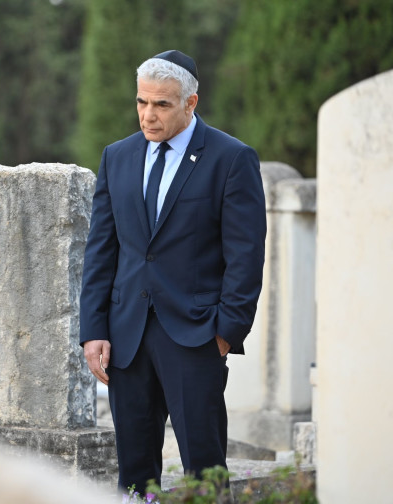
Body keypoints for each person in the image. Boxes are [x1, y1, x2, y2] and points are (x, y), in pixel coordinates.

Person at [79, 50, 266, 492]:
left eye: (161, 104)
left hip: (197, 336)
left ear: (191, 103)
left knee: (205, 473)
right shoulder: (117, 156)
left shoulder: (231, 159)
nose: (148, 115)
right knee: (135, 475)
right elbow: (101, 250)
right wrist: (93, 329)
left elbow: (246, 255)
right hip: (126, 337)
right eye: (142, 102)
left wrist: (226, 332)